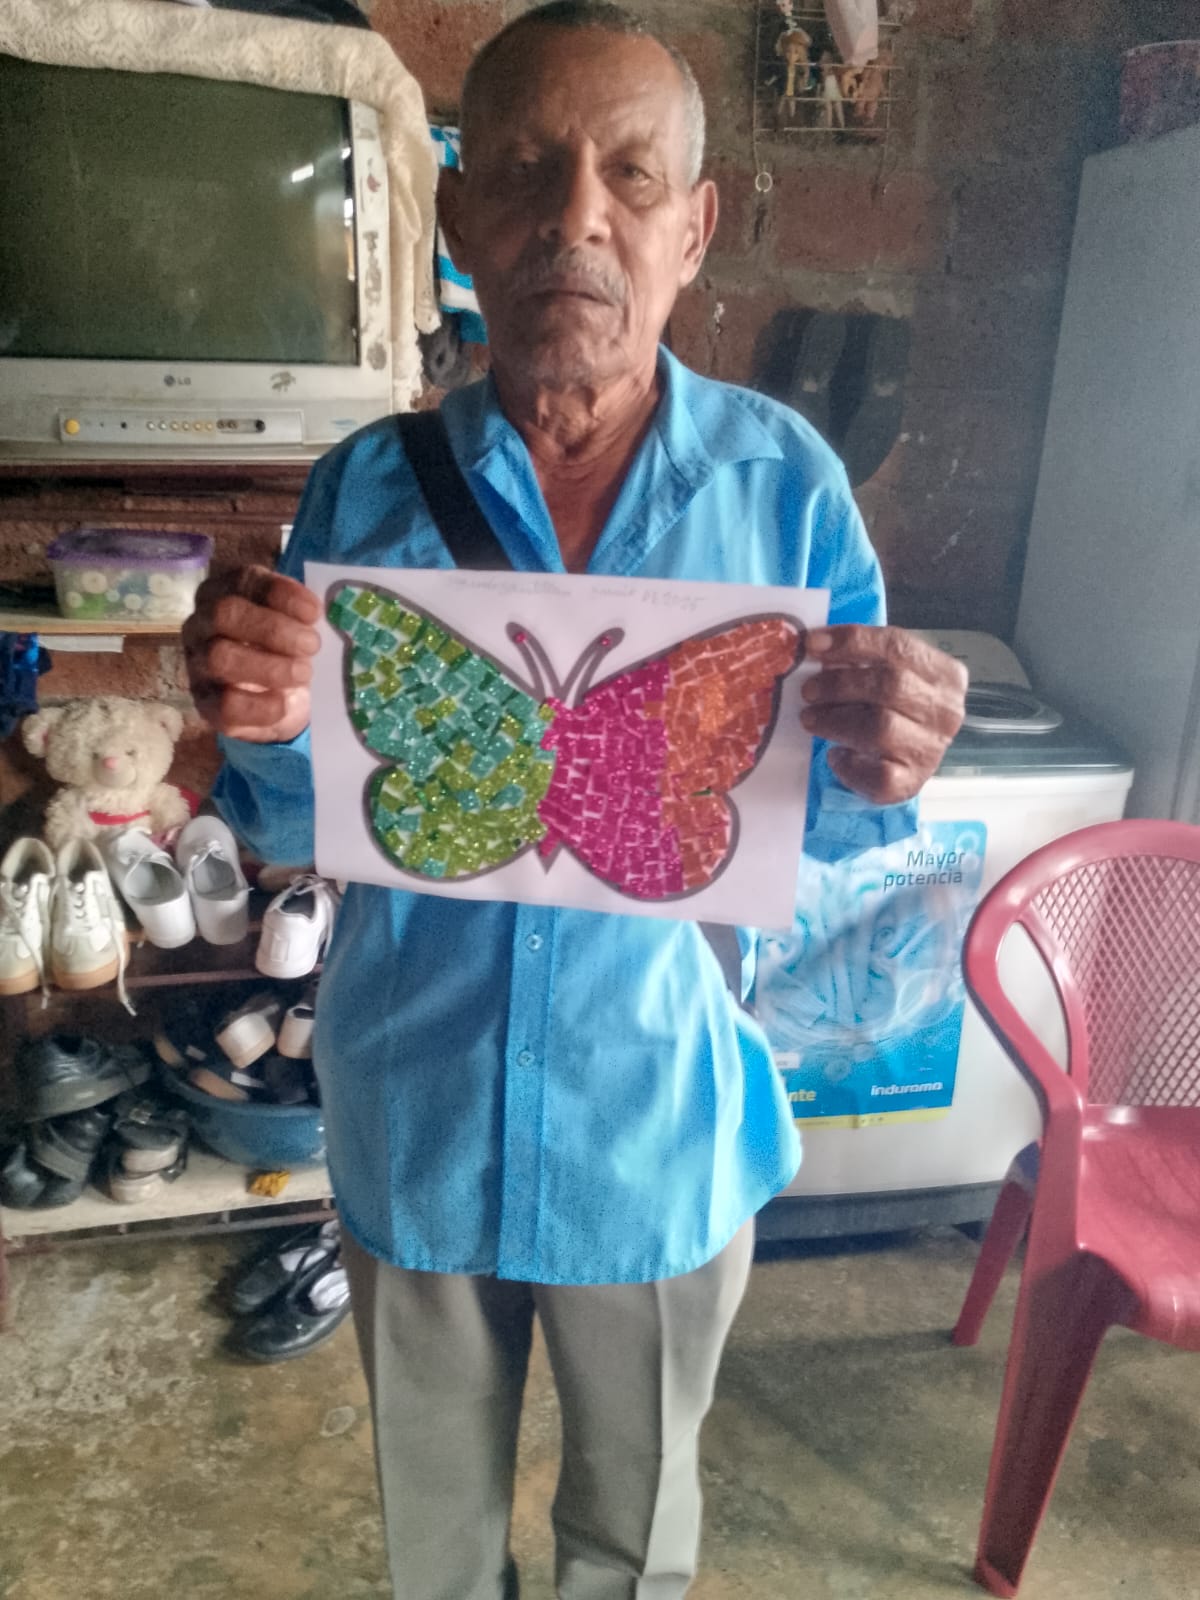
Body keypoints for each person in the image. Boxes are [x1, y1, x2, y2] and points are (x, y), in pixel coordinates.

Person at [183, 5, 966, 1596]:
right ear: (460, 218)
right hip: (417, 1117)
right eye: (528, 172)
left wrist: (891, 760)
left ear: (695, 228)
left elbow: (829, 831)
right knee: (438, 1548)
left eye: (629, 175)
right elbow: (293, 821)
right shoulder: (367, 489)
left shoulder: (784, 488)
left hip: (656, 1132)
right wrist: (252, 720)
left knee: (634, 1541)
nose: (577, 219)